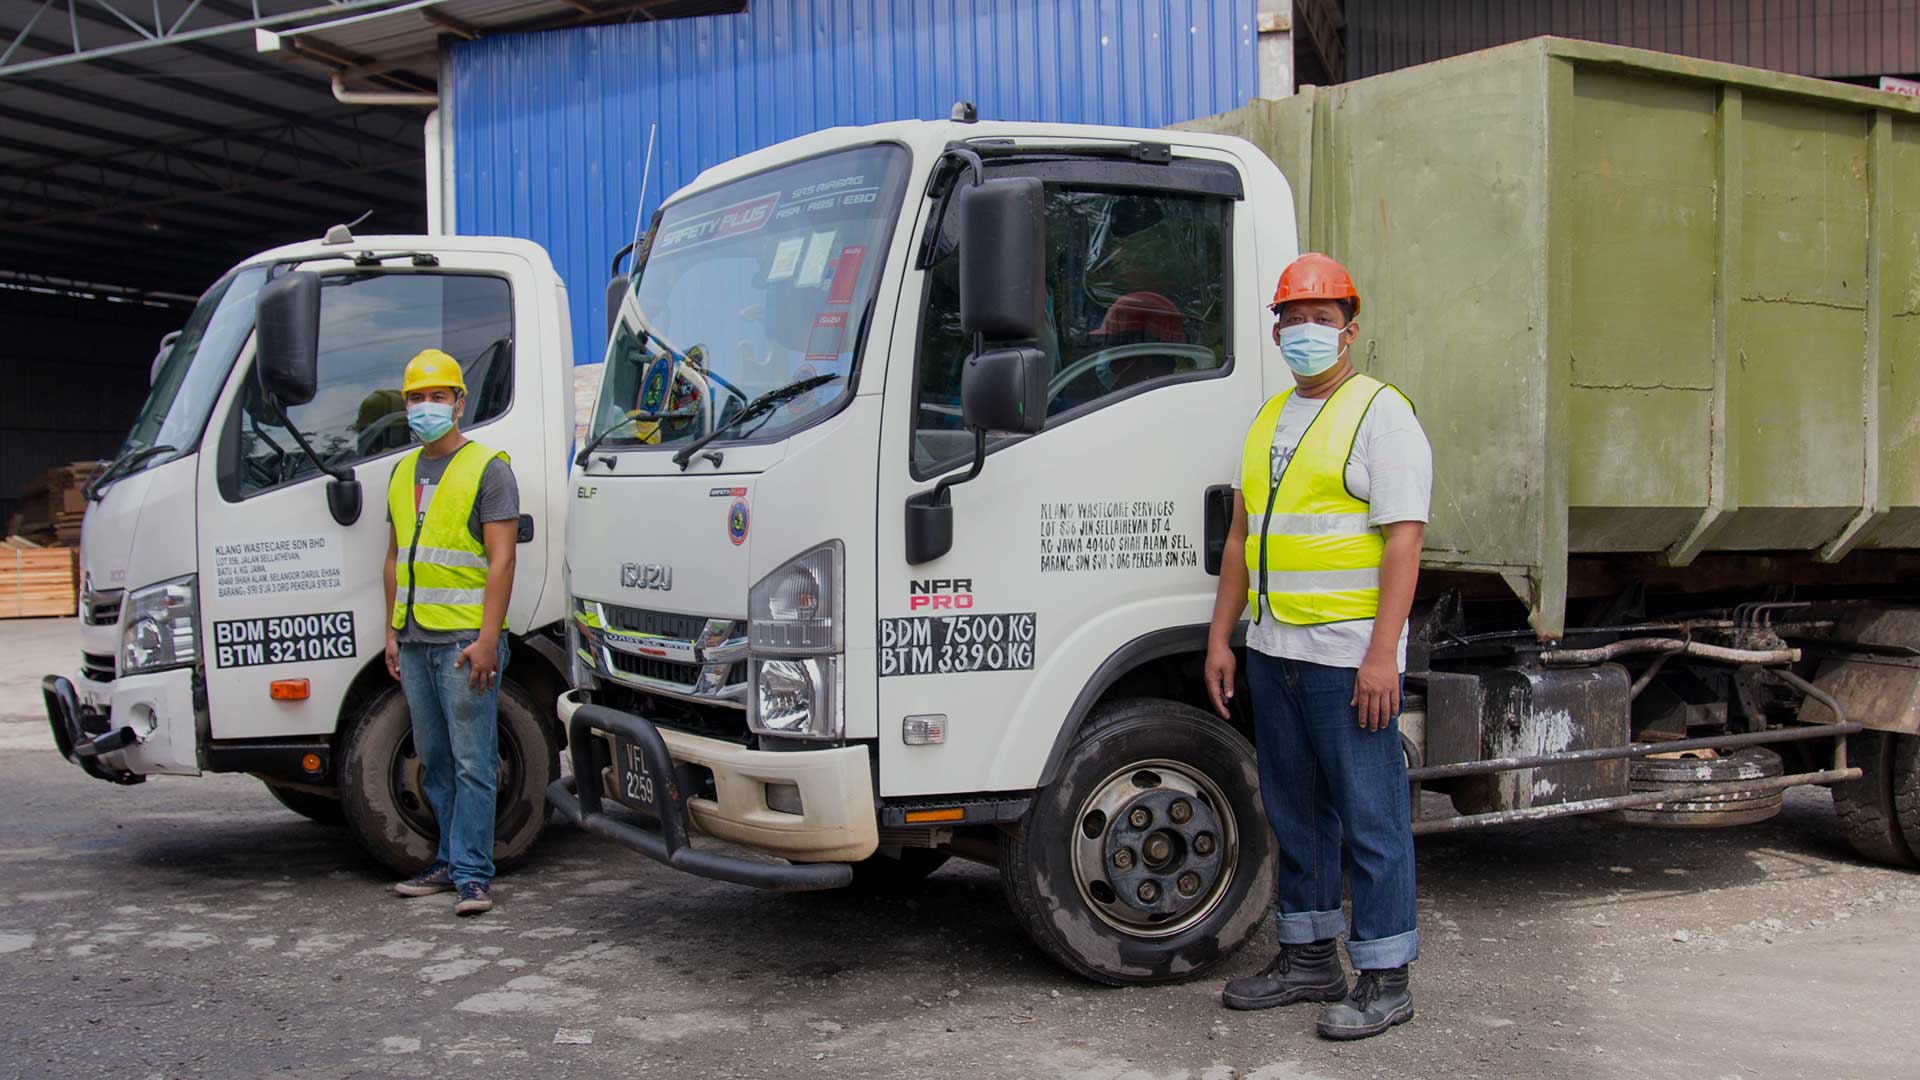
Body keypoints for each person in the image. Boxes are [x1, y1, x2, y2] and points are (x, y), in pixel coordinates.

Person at [1203, 253, 1431, 1040]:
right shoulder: (1270, 418)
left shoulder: (1381, 414)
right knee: (1296, 815)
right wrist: (1223, 638)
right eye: (1293, 319)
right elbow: (1242, 538)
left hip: (1348, 659)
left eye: (1321, 319)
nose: (1306, 331)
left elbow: (1404, 542)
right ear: (1276, 332)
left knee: (1371, 819)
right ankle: (1308, 960)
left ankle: (1386, 978)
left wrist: (1382, 655)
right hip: (1276, 653)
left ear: (1349, 329)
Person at [383, 348, 520, 917]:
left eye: (437, 396)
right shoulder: (401, 472)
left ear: (459, 403)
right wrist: (392, 632)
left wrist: (488, 640)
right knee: (435, 760)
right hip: (415, 640)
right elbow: (394, 558)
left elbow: (503, 560)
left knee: (473, 762)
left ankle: (472, 874)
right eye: (416, 397)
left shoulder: (489, 468)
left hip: (465, 642)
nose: (426, 407)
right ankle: (447, 859)